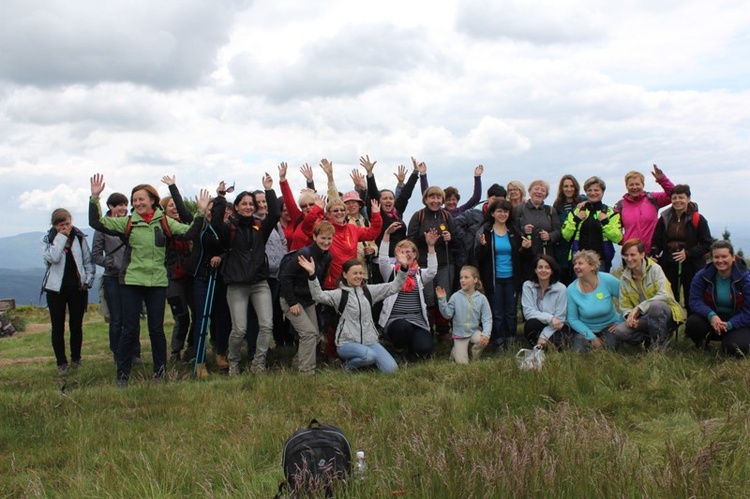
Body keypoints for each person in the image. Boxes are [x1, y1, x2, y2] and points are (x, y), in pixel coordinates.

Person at [88, 174, 211, 386]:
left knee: (156, 329)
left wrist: (200, 213)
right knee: (130, 328)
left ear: (152, 200)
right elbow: (96, 222)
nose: (137, 203)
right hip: (132, 282)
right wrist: (94, 198)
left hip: (157, 283)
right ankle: (122, 375)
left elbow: (190, 233)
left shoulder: (164, 222)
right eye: (134, 200)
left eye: (141, 199)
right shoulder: (127, 222)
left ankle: (159, 373)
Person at [212, 174, 280, 376]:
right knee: (239, 329)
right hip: (237, 285)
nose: (249, 207)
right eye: (244, 204)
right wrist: (220, 198)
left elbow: (275, 214)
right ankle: (233, 362)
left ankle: (258, 363)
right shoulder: (229, 228)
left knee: (267, 325)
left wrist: (268, 190)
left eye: (251, 204)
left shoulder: (260, 227)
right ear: (237, 207)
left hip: (260, 283)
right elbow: (215, 223)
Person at [299, 255, 411, 373]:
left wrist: (403, 269)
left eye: (360, 273)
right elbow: (318, 295)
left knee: (391, 370)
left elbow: (394, 287)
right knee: (369, 356)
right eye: (354, 273)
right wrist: (312, 274)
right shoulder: (339, 294)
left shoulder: (369, 291)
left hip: (370, 341)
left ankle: (364, 362)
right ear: (345, 274)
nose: (358, 276)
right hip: (347, 343)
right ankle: (348, 366)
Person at [41, 208, 95, 376]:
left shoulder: (79, 237)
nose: (65, 227)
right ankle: (61, 362)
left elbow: (88, 259)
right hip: (55, 289)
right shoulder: (48, 239)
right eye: (61, 225)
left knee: (76, 326)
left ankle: (76, 359)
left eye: (67, 224)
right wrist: (61, 237)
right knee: (57, 327)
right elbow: (53, 258)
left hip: (77, 287)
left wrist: (88, 280)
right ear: (54, 225)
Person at [91, 192, 142, 364]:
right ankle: (118, 354)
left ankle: (135, 353)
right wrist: (111, 263)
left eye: (125, 205)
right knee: (117, 319)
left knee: (133, 316)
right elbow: (96, 255)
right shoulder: (102, 228)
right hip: (112, 278)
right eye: (119, 205)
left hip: (131, 277)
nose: (123, 208)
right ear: (111, 207)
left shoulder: (130, 224)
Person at [278, 221, 334, 375]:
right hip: (291, 300)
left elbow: (321, 278)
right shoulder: (305, 254)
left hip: (308, 300)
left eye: (329, 238)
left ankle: (297, 364)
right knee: (308, 334)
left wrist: (318, 295)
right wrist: (292, 302)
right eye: (323, 238)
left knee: (314, 336)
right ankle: (306, 372)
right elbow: (285, 278)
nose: (326, 242)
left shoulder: (327, 256)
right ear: (315, 237)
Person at [377, 224, 439, 358]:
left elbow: (433, 271)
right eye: (402, 252)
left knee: (423, 348)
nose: (406, 254)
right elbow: (382, 260)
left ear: (415, 254)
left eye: (409, 251)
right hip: (396, 320)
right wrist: (387, 234)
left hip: (417, 319)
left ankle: (411, 349)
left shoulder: (419, 273)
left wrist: (431, 246)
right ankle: (398, 348)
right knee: (403, 328)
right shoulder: (391, 271)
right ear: (396, 255)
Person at [476, 198, 532, 348]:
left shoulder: (513, 231)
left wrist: (527, 247)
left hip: (511, 278)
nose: (502, 214)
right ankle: (498, 340)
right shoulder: (486, 231)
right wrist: (482, 246)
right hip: (494, 279)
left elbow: (522, 256)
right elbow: (479, 258)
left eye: (505, 211)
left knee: (511, 311)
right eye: (499, 211)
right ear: (492, 213)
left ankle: (511, 339)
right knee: (497, 312)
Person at [650, 184, 712, 314]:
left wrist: (688, 253)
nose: (677, 200)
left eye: (681, 197)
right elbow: (656, 240)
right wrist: (655, 252)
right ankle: (672, 324)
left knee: (693, 296)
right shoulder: (665, 218)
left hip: (692, 264)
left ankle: (692, 326)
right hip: (669, 263)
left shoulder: (698, 219)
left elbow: (707, 244)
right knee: (670, 296)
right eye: (674, 197)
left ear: (688, 199)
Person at [614, 239, 685, 349]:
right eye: (626, 255)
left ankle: (658, 349)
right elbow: (625, 305)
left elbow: (664, 294)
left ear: (642, 254)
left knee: (655, 306)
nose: (629, 259)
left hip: (666, 314)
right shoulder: (624, 277)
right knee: (620, 331)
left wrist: (639, 308)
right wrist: (630, 317)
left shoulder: (655, 269)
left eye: (633, 255)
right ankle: (648, 340)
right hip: (643, 318)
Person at [406, 185, 458, 337]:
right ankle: (428, 329)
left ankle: (443, 330)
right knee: (427, 296)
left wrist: (450, 238)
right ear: (426, 199)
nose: (435, 201)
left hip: (444, 263)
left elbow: (456, 239)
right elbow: (410, 239)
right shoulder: (418, 216)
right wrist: (426, 239)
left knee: (444, 295)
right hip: (423, 264)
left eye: (438, 197)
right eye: (432, 197)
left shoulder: (447, 216)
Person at [686, 241, 750, 355]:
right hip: (713, 318)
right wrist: (711, 316)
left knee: (735, 348)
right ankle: (701, 345)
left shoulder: (745, 279)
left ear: (733, 257)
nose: (720, 261)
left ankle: (730, 341)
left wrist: (730, 324)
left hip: (737, 321)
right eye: (716, 257)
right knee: (693, 323)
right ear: (712, 258)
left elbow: (748, 311)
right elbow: (694, 301)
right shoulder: (702, 276)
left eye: (724, 256)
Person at [159, 177, 196, 363]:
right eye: (170, 205)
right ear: (164, 209)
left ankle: (192, 348)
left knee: (197, 314)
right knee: (182, 316)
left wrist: (174, 189)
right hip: (173, 277)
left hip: (190, 276)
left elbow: (187, 215)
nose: (174, 208)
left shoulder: (186, 224)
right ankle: (175, 352)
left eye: (176, 205)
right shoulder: (162, 227)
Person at [561, 176, 622, 272]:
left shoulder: (610, 212)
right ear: (586, 192)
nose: (593, 193)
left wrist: (605, 222)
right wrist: (576, 219)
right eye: (589, 190)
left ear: (602, 192)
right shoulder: (577, 211)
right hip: (579, 261)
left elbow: (617, 237)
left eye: (596, 190)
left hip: (601, 261)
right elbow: (566, 235)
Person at [567, 250, 621, 353]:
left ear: (592, 266)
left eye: (580, 263)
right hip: (586, 328)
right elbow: (572, 318)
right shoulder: (571, 289)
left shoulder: (607, 280)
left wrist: (620, 321)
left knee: (610, 349)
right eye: (575, 264)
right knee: (579, 352)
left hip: (609, 326)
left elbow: (626, 299)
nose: (576, 267)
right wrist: (591, 337)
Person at [436, 266, 492, 364]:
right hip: (460, 334)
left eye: (466, 277)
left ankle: (473, 357)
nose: (462, 280)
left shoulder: (481, 298)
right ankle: (455, 352)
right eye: (461, 278)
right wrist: (442, 300)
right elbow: (447, 314)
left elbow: (487, 318)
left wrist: (486, 334)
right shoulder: (455, 296)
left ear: (475, 279)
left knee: (482, 340)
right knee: (462, 364)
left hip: (474, 331)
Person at [615, 164, 674, 254]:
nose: (634, 187)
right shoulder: (621, 205)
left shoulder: (653, 199)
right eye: (631, 184)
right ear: (626, 186)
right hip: (631, 254)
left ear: (643, 185)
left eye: (637, 184)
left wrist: (662, 179)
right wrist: (623, 241)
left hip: (652, 252)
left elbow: (673, 194)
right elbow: (615, 227)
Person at [514, 179, 562, 282]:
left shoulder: (550, 210)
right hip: (526, 255)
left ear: (546, 195)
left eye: (543, 190)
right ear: (530, 191)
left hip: (546, 255)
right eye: (536, 189)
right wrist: (523, 230)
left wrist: (550, 236)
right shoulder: (519, 209)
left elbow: (558, 231)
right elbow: (513, 229)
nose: (539, 192)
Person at [521, 255, 570, 349]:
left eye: (547, 267)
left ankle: (541, 344)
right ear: (535, 270)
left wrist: (543, 336)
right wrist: (550, 318)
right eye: (540, 267)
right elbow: (528, 312)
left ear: (552, 271)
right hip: (541, 322)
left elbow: (560, 318)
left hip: (556, 326)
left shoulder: (561, 288)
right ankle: (542, 345)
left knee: (561, 342)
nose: (543, 270)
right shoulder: (527, 285)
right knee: (530, 325)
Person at [552, 174, 585, 284]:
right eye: (566, 186)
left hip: (580, 247)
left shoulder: (583, 202)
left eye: (572, 186)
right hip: (563, 250)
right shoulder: (557, 206)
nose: (569, 189)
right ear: (561, 188)